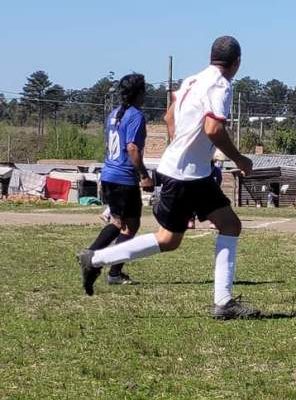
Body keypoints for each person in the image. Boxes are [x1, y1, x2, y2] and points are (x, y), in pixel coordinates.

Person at [77, 36, 260, 319]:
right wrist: (239, 159)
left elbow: (169, 116)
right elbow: (213, 129)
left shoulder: (191, 81)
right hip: (187, 176)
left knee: (221, 227)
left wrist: (180, 146)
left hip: (187, 171)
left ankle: (96, 258)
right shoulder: (221, 85)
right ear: (237, 62)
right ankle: (97, 258)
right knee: (172, 238)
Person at [84, 73, 153, 286]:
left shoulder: (114, 113)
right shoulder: (136, 115)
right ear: (139, 93)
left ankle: (92, 257)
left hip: (108, 175)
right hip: (124, 178)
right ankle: (103, 266)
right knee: (129, 226)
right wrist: (144, 175)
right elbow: (132, 148)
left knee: (118, 222)